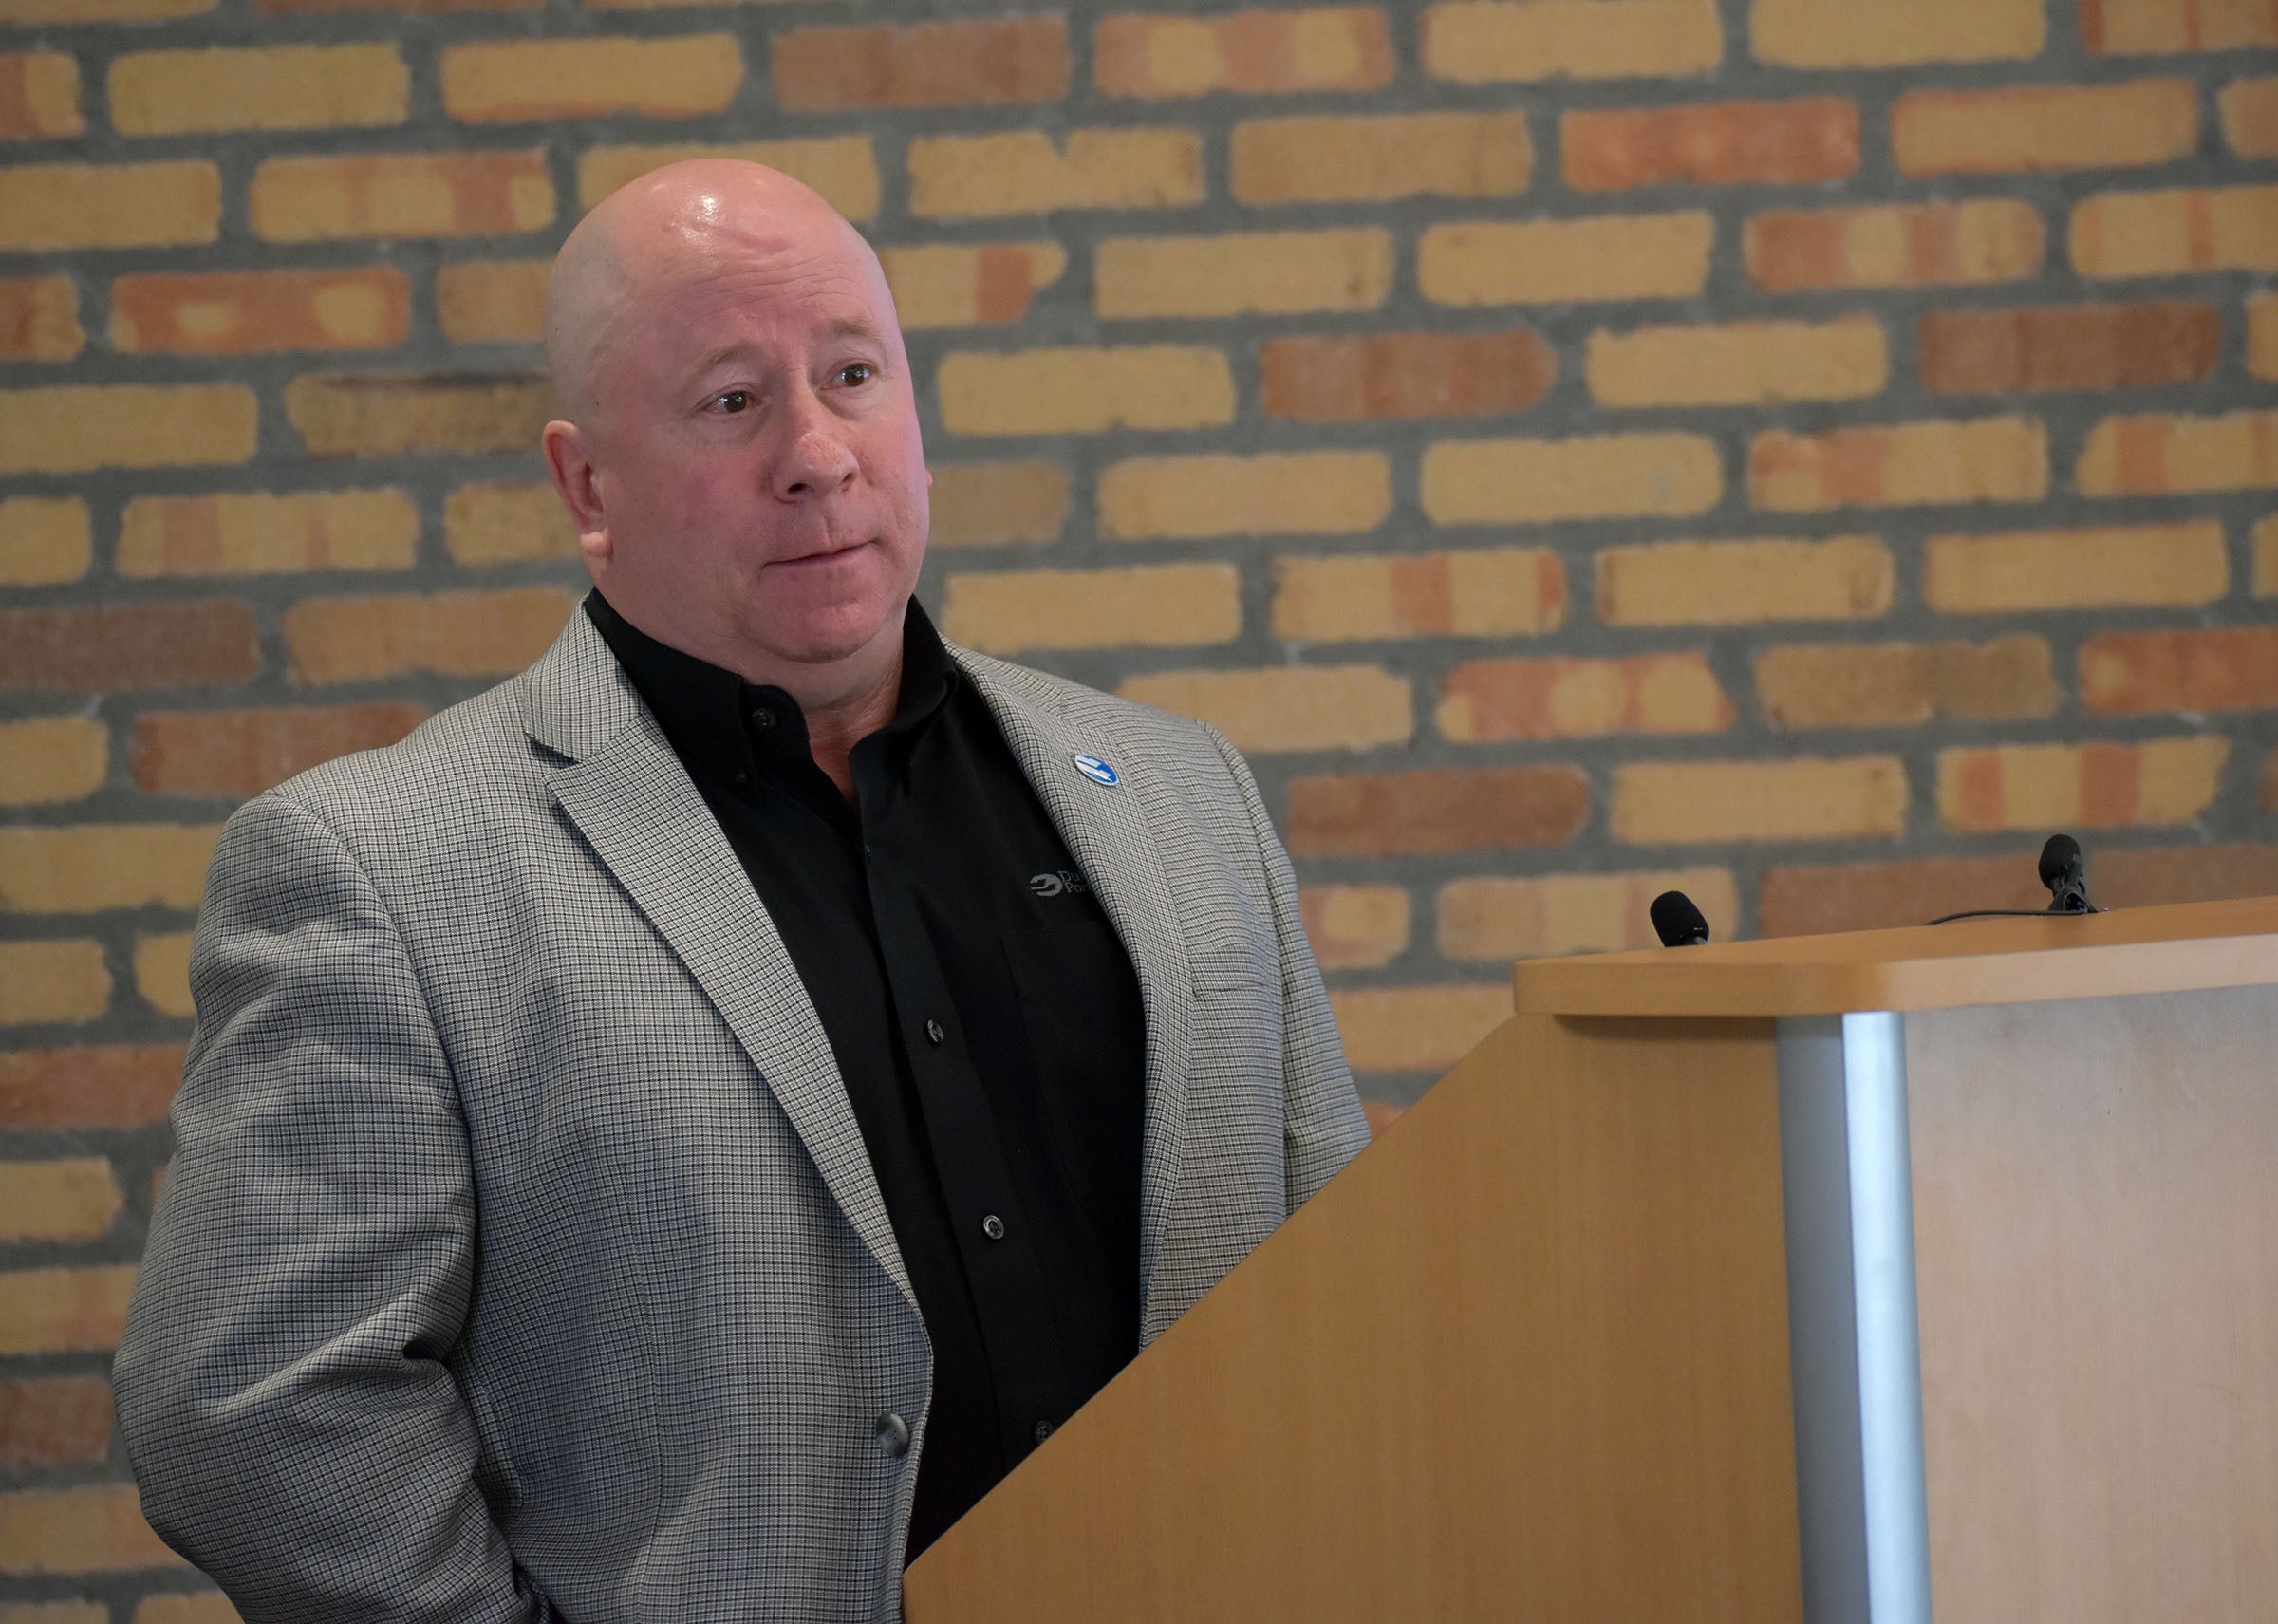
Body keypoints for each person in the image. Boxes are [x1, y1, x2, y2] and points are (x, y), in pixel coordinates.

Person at [114, 160, 1369, 1623]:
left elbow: (1335, 1279)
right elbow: (252, 1411)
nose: (819, 453)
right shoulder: (379, 870)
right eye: (732, 401)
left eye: (853, 376)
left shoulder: (1181, 793)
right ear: (589, 485)